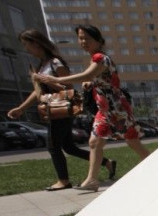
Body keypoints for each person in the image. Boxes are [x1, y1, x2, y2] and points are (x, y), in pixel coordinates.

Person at [34, 24, 149, 191]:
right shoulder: (95, 59)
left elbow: (89, 75)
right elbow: (97, 78)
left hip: (117, 109)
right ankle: (91, 180)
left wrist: (56, 80)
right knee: (95, 142)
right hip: (105, 110)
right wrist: (90, 83)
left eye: (87, 38)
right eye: (80, 38)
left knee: (133, 142)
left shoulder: (100, 58)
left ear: (99, 41)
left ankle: (157, 166)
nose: (83, 42)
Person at [7, 29, 116, 191]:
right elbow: (38, 92)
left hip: (61, 109)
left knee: (53, 146)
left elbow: (68, 88)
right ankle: (106, 162)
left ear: (36, 43)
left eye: (26, 44)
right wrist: (21, 108)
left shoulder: (55, 63)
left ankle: (63, 180)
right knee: (69, 147)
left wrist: (47, 80)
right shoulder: (42, 65)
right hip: (51, 109)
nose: (26, 48)